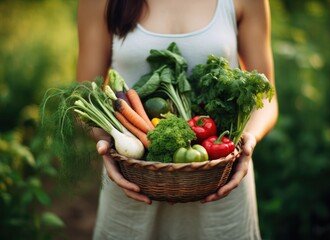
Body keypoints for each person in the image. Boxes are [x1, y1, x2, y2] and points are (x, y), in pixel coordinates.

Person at [77, 0, 278, 239]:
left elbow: (267, 98)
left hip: (222, 181)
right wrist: (106, 140)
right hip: (131, 182)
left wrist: (247, 141)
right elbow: (83, 98)